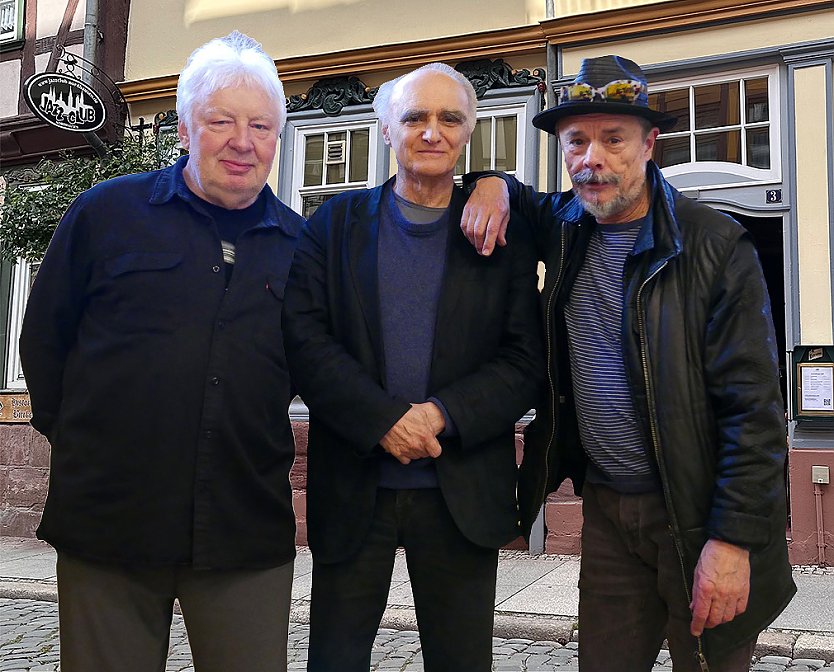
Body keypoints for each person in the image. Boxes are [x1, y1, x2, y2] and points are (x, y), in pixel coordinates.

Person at [460, 54, 796, 671]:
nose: (592, 159)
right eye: (576, 141)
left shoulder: (714, 245)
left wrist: (733, 541)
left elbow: (754, 411)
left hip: (697, 515)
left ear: (649, 145)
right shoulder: (565, 224)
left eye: (613, 139)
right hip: (609, 511)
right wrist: (490, 181)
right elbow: (515, 195)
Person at [19, 31, 302, 672]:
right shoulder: (105, 215)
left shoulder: (300, 246)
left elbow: (313, 367)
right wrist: (88, 439)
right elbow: (45, 339)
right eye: (221, 121)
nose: (242, 141)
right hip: (110, 520)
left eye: (261, 126)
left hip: (243, 527)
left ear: (276, 139)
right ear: (183, 128)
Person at [281, 62, 544, 672]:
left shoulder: (498, 235)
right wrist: (383, 420)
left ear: (468, 132)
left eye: (450, 119)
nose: (432, 131)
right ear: (385, 130)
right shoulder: (332, 226)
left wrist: (442, 415)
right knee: (335, 661)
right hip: (355, 487)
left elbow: (524, 359)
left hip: (460, 493)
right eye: (415, 117)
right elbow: (305, 339)